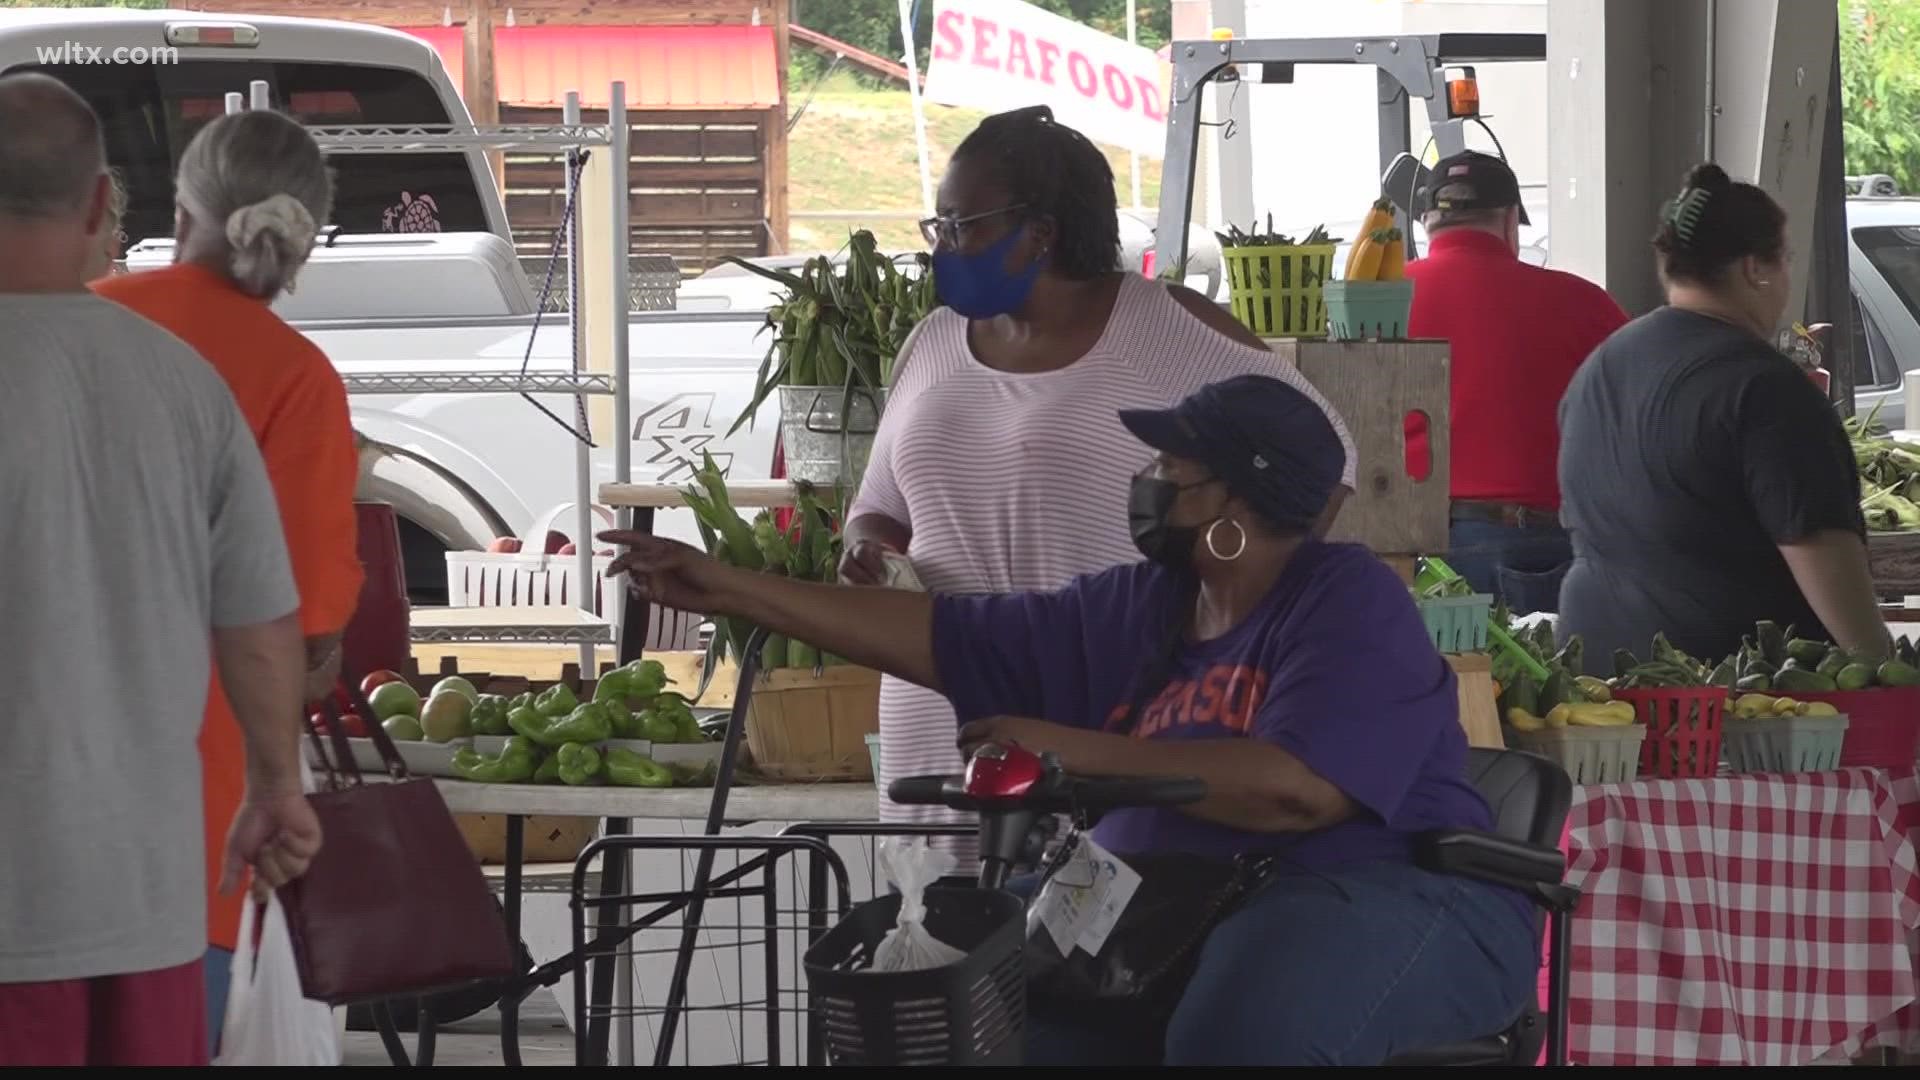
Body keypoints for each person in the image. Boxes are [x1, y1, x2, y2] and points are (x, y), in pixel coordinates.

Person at [602, 375, 1535, 1065]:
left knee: (1245, 1021)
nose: (1150, 483)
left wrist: (1067, 750)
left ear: (1239, 504)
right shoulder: (1144, 605)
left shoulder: (1344, 600)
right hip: (1157, 908)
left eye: (1173, 468)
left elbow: (1295, 792)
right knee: (948, 1009)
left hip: (1374, 898)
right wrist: (726, 587)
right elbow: (942, 632)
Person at [838, 106, 1357, 855]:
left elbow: (1325, 452)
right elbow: (880, 505)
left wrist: (1219, 611)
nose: (941, 248)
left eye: (960, 226)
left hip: (1095, 716)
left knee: (1077, 952)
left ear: (1039, 232)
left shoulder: (1162, 328)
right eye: (938, 227)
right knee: (939, 943)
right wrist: (867, 547)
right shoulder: (934, 342)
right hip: (935, 717)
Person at [0, 73, 321, 1066]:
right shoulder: (188, 388)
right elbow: (264, 619)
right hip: (148, 897)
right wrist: (275, 784)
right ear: (101, 203)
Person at [92, 108, 363, 1046]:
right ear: (307, 236)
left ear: (182, 202)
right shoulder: (298, 378)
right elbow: (309, 630)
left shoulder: (88, 322)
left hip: (41, 784)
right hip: (205, 806)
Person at [1557, 164, 1890, 672]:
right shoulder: (1766, 388)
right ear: (1755, 268)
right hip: (1733, 700)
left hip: (1595, 681)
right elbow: (1819, 546)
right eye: (1785, 259)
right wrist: (1884, 670)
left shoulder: (1601, 366)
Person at [1404, 150, 1629, 614]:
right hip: (1538, 546)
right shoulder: (1584, 303)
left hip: (1407, 549)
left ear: (1427, 223)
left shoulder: (1374, 301)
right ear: (1510, 221)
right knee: (1541, 683)